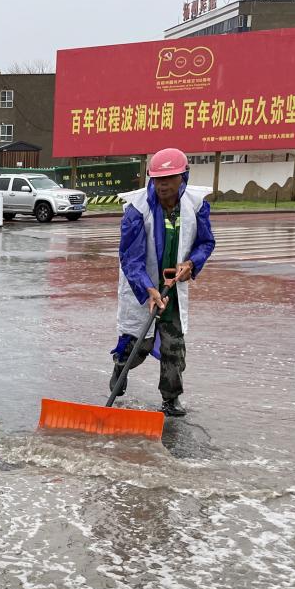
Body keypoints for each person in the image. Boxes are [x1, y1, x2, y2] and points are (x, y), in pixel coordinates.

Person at [110, 147, 215, 417]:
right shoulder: (137, 209)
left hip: (174, 287)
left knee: (173, 346)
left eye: (169, 178)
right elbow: (130, 258)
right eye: (157, 179)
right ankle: (121, 366)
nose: (162, 185)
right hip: (141, 285)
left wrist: (191, 263)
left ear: (183, 177)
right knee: (138, 343)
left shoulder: (196, 204)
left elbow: (206, 242)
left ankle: (171, 398)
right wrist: (148, 289)